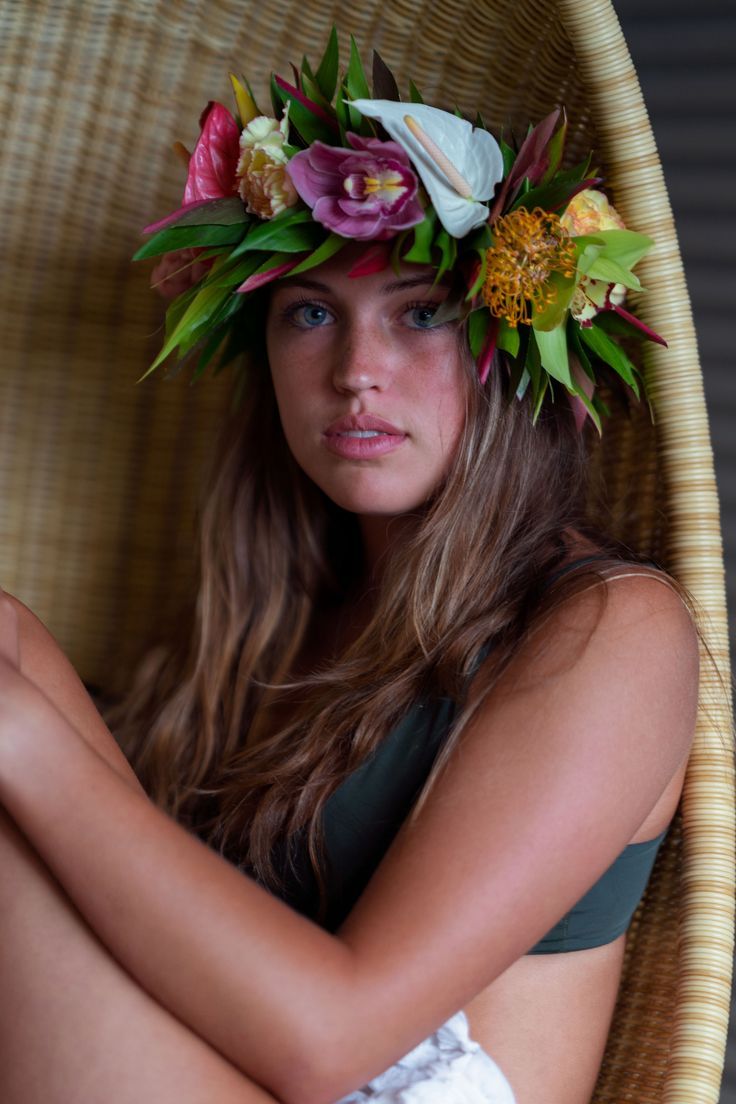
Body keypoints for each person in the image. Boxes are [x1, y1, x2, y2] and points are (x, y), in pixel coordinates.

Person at [0, 35, 699, 1104]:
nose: (356, 374)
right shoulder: (288, 616)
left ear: (512, 348)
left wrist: (27, 748)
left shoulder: (612, 628)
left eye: (422, 313)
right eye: (311, 314)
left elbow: (331, 1042)